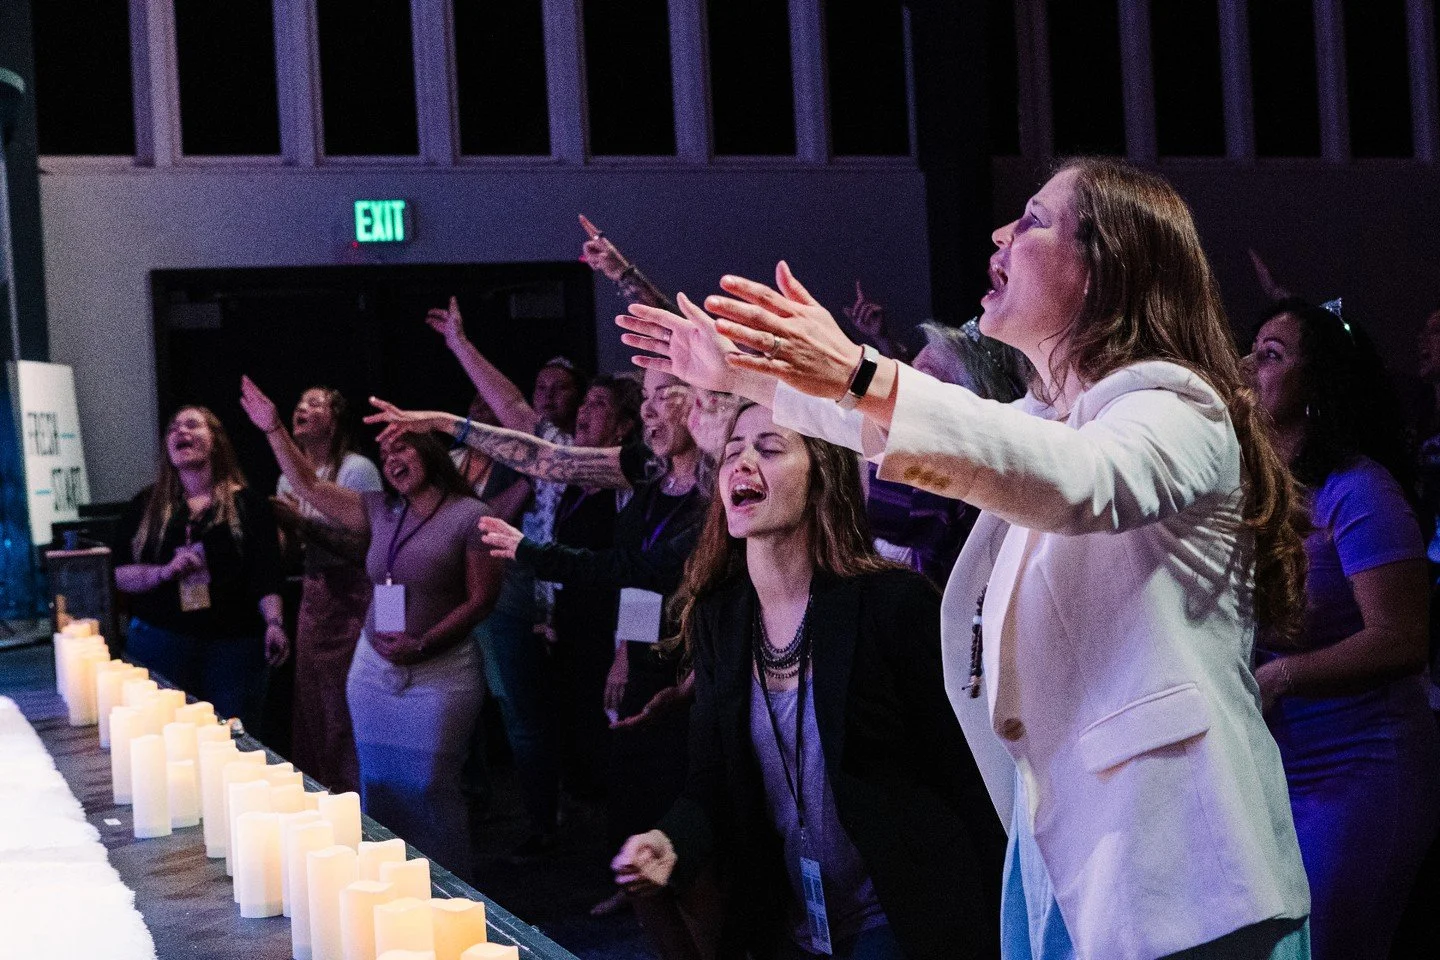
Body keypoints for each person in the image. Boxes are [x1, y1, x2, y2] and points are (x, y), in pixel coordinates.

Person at [619, 158, 1314, 959]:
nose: (1000, 234)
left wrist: (858, 369)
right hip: (1068, 858)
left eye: (1034, 221)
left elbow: (1077, 479)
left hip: (1186, 875)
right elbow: (902, 432)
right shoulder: (1046, 421)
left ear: (1105, 266)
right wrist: (746, 376)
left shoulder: (1176, 406)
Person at [612, 402, 1006, 960]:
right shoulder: (720, 618)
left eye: (770, 448)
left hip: (903, 921)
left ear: (823, 476)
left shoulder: (893, 605)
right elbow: (711, 783)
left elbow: (966, 779)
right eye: (732, 452)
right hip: (788, 929)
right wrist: (666, 841)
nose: (742, 462)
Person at [365, 366, 708, 916]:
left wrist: (532, 553)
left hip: (703, 658)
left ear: (708, 402)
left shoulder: (717, 484)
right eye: (645, 397)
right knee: (633, 771)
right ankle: (643, 891)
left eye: (664, 395)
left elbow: (635, 565)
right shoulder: (651, 469)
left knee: (692, 795)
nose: (647, 409)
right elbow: (551, 460)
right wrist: (448, 423)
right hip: (652, 645)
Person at [240, 376, 501, 881]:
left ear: (430, 451)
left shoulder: (471, 515)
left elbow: (481, 600)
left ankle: (451, 894)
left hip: (441, 671)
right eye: (386, 455)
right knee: (378, 786)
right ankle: (390, 888)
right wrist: (272, 428)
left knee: (428, 787)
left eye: (403, 448)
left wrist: (424, 642)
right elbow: (310, 486)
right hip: (372, 670)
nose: (393, 460)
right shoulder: (381, 510)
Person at [1249, 298, 1440, 960]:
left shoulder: (1359, 490)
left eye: (1271, 355)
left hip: (1363, 766)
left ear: (1316, 384)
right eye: (1252, 349)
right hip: (1280, 766)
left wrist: (1282, 674)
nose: (1247, 366)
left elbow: (1402, 639)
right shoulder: (1255, 489)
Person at [425, 299, 583, 853]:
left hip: (556, 595)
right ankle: (523, 814)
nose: (547, 397)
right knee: (498, 708)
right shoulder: (478, 458)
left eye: (561, 389)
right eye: (542, 387)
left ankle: (555, 822)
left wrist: (461, 344)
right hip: (498, 593)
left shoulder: (566, 455)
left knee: (538, 714)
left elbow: (511, 411)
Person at [113, 406, 288, 728]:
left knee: (232, 738)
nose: (181, 431)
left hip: (233, 647)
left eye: (192, 425)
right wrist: (163, 572)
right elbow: (119, 574)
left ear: (216, 440)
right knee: (164, 734)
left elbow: (267, 575)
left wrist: (274, 623)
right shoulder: (147, 505)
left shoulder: (249, 505)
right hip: (161, 641)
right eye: (173, 428)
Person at [271, 386, 382, 793]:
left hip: (353, 594)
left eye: (314, 403)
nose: (301, 407)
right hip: (314, 595)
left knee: (343, 705)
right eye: (299, 402)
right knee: (312, 704)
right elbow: (292, 554)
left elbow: (366, 546)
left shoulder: (356, 469)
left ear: (334, 421)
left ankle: (355, 797)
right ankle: (320, 793)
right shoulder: (287, 475)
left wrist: (300, 523)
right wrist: (283, 530)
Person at [866, 320, 1028, 584]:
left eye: (922, 379)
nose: (903, 392)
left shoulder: (956, 495)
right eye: (910, 373)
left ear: (969, 404)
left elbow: (847, 490)